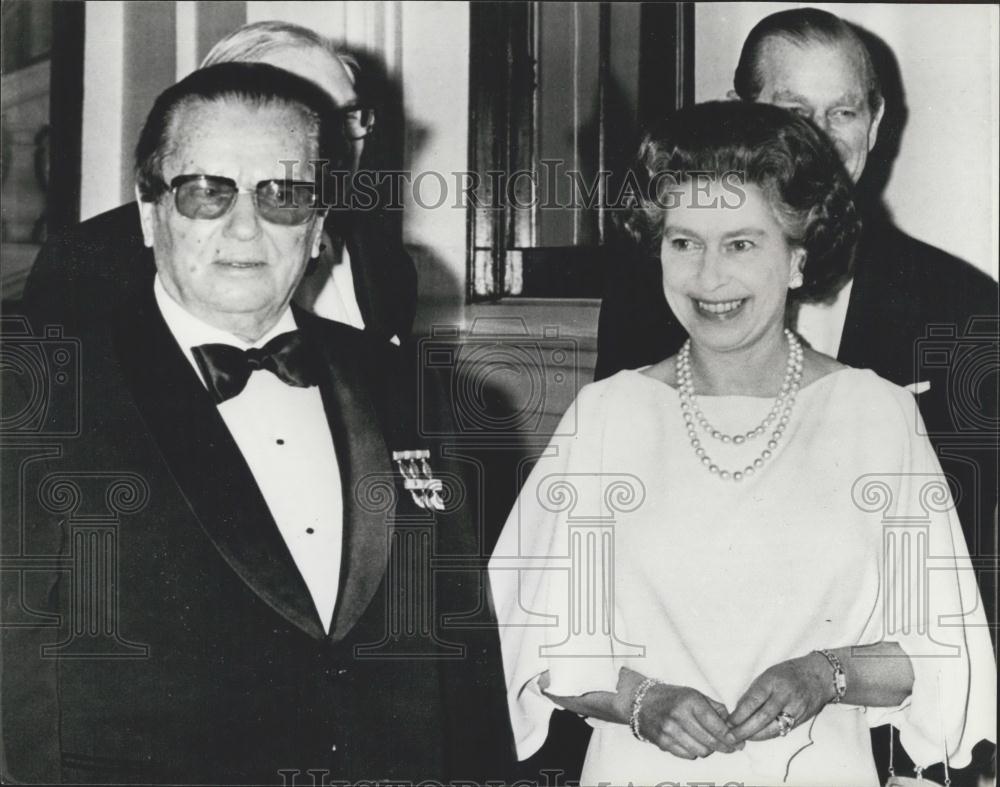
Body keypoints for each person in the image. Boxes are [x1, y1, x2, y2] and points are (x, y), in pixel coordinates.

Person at [1, 63, 510, 784]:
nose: (245, 226)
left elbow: (464, 660)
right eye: (207, 191)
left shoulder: (414, 392)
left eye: (283, 195)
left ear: (318, 226)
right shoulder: (38, 393)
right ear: (150, 214)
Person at [490, 101, 995, 786]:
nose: (708, 277)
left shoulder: (875, 415)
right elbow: (541, 645)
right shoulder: (608, 416)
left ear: (798, 259)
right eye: (684, 241)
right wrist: (643, 700)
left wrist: (826, 673)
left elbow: (939, 650)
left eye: (741, 243)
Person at [21, 20, 417, 345]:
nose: (337, 145)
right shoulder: (88, 260)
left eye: (347, 116)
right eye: (301, 116)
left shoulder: (385, 265)